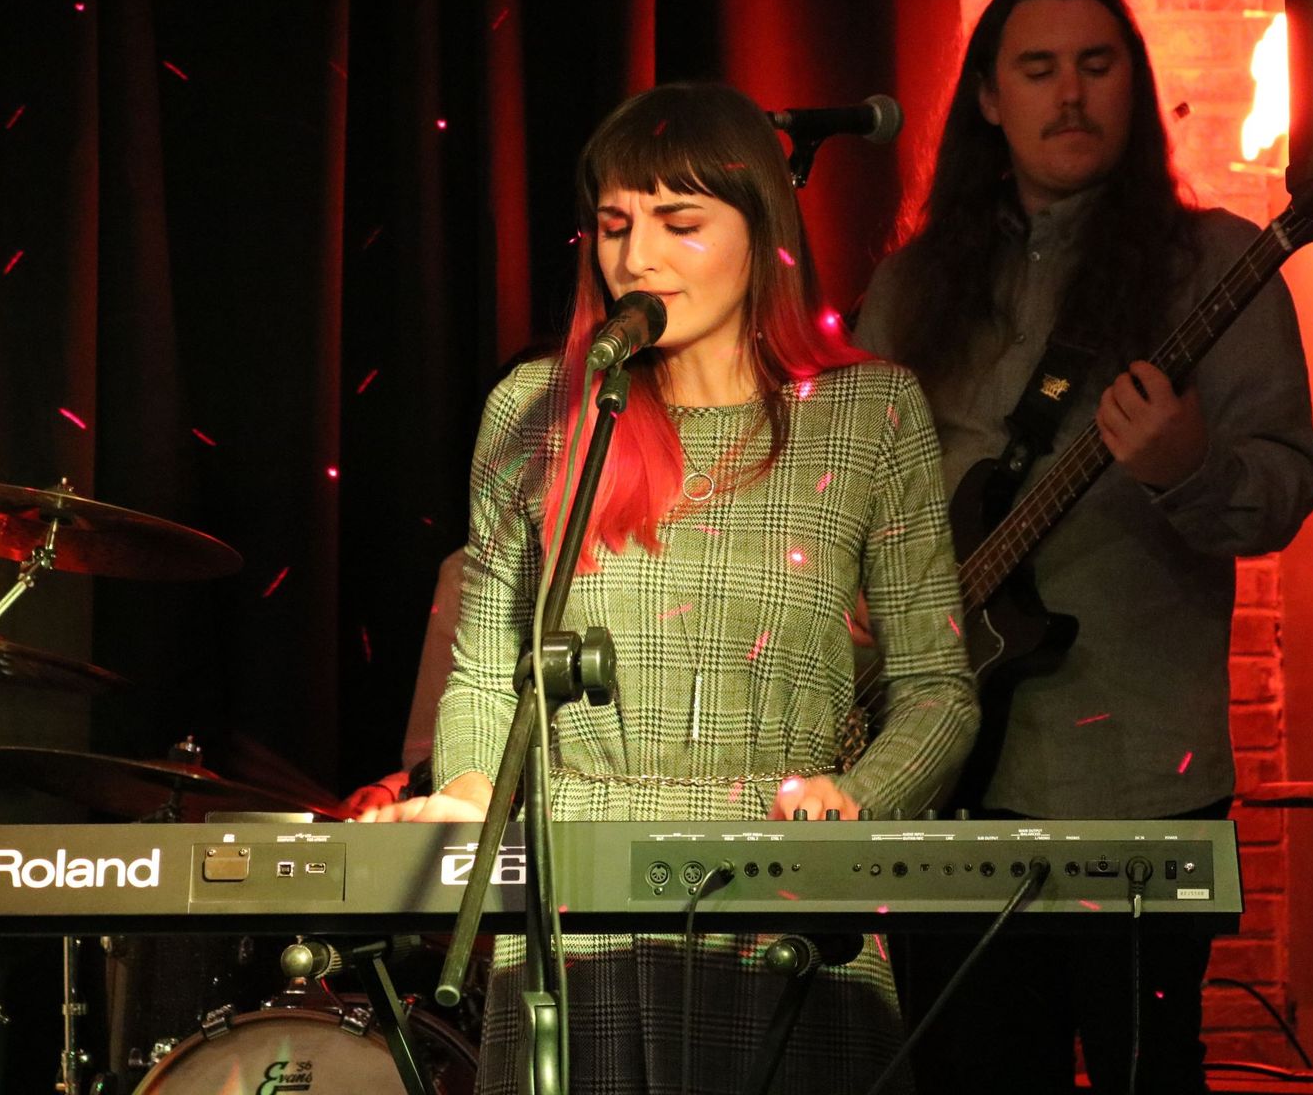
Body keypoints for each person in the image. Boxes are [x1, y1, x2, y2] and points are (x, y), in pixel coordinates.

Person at [362, 81, 978, 1094]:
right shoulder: (536, 409)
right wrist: (469, 790)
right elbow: (483, 672)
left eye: (679, 223)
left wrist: (855, 801)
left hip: (783, 892)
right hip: (568, 896)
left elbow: (936, 689)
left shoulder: (868, 413)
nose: (636, 259)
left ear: (761, 234)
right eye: (614, 226)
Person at [853, 0, 1313, 1093]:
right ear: (987, 98)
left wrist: (1188, 468)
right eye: (1037, 68)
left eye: (1095, 64)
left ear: (1132, 84)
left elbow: (1284, 491)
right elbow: (848, 498)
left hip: (1138, 777)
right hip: (940, 775)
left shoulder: (1219, 267)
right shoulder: (911, 287)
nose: (1069, 94)